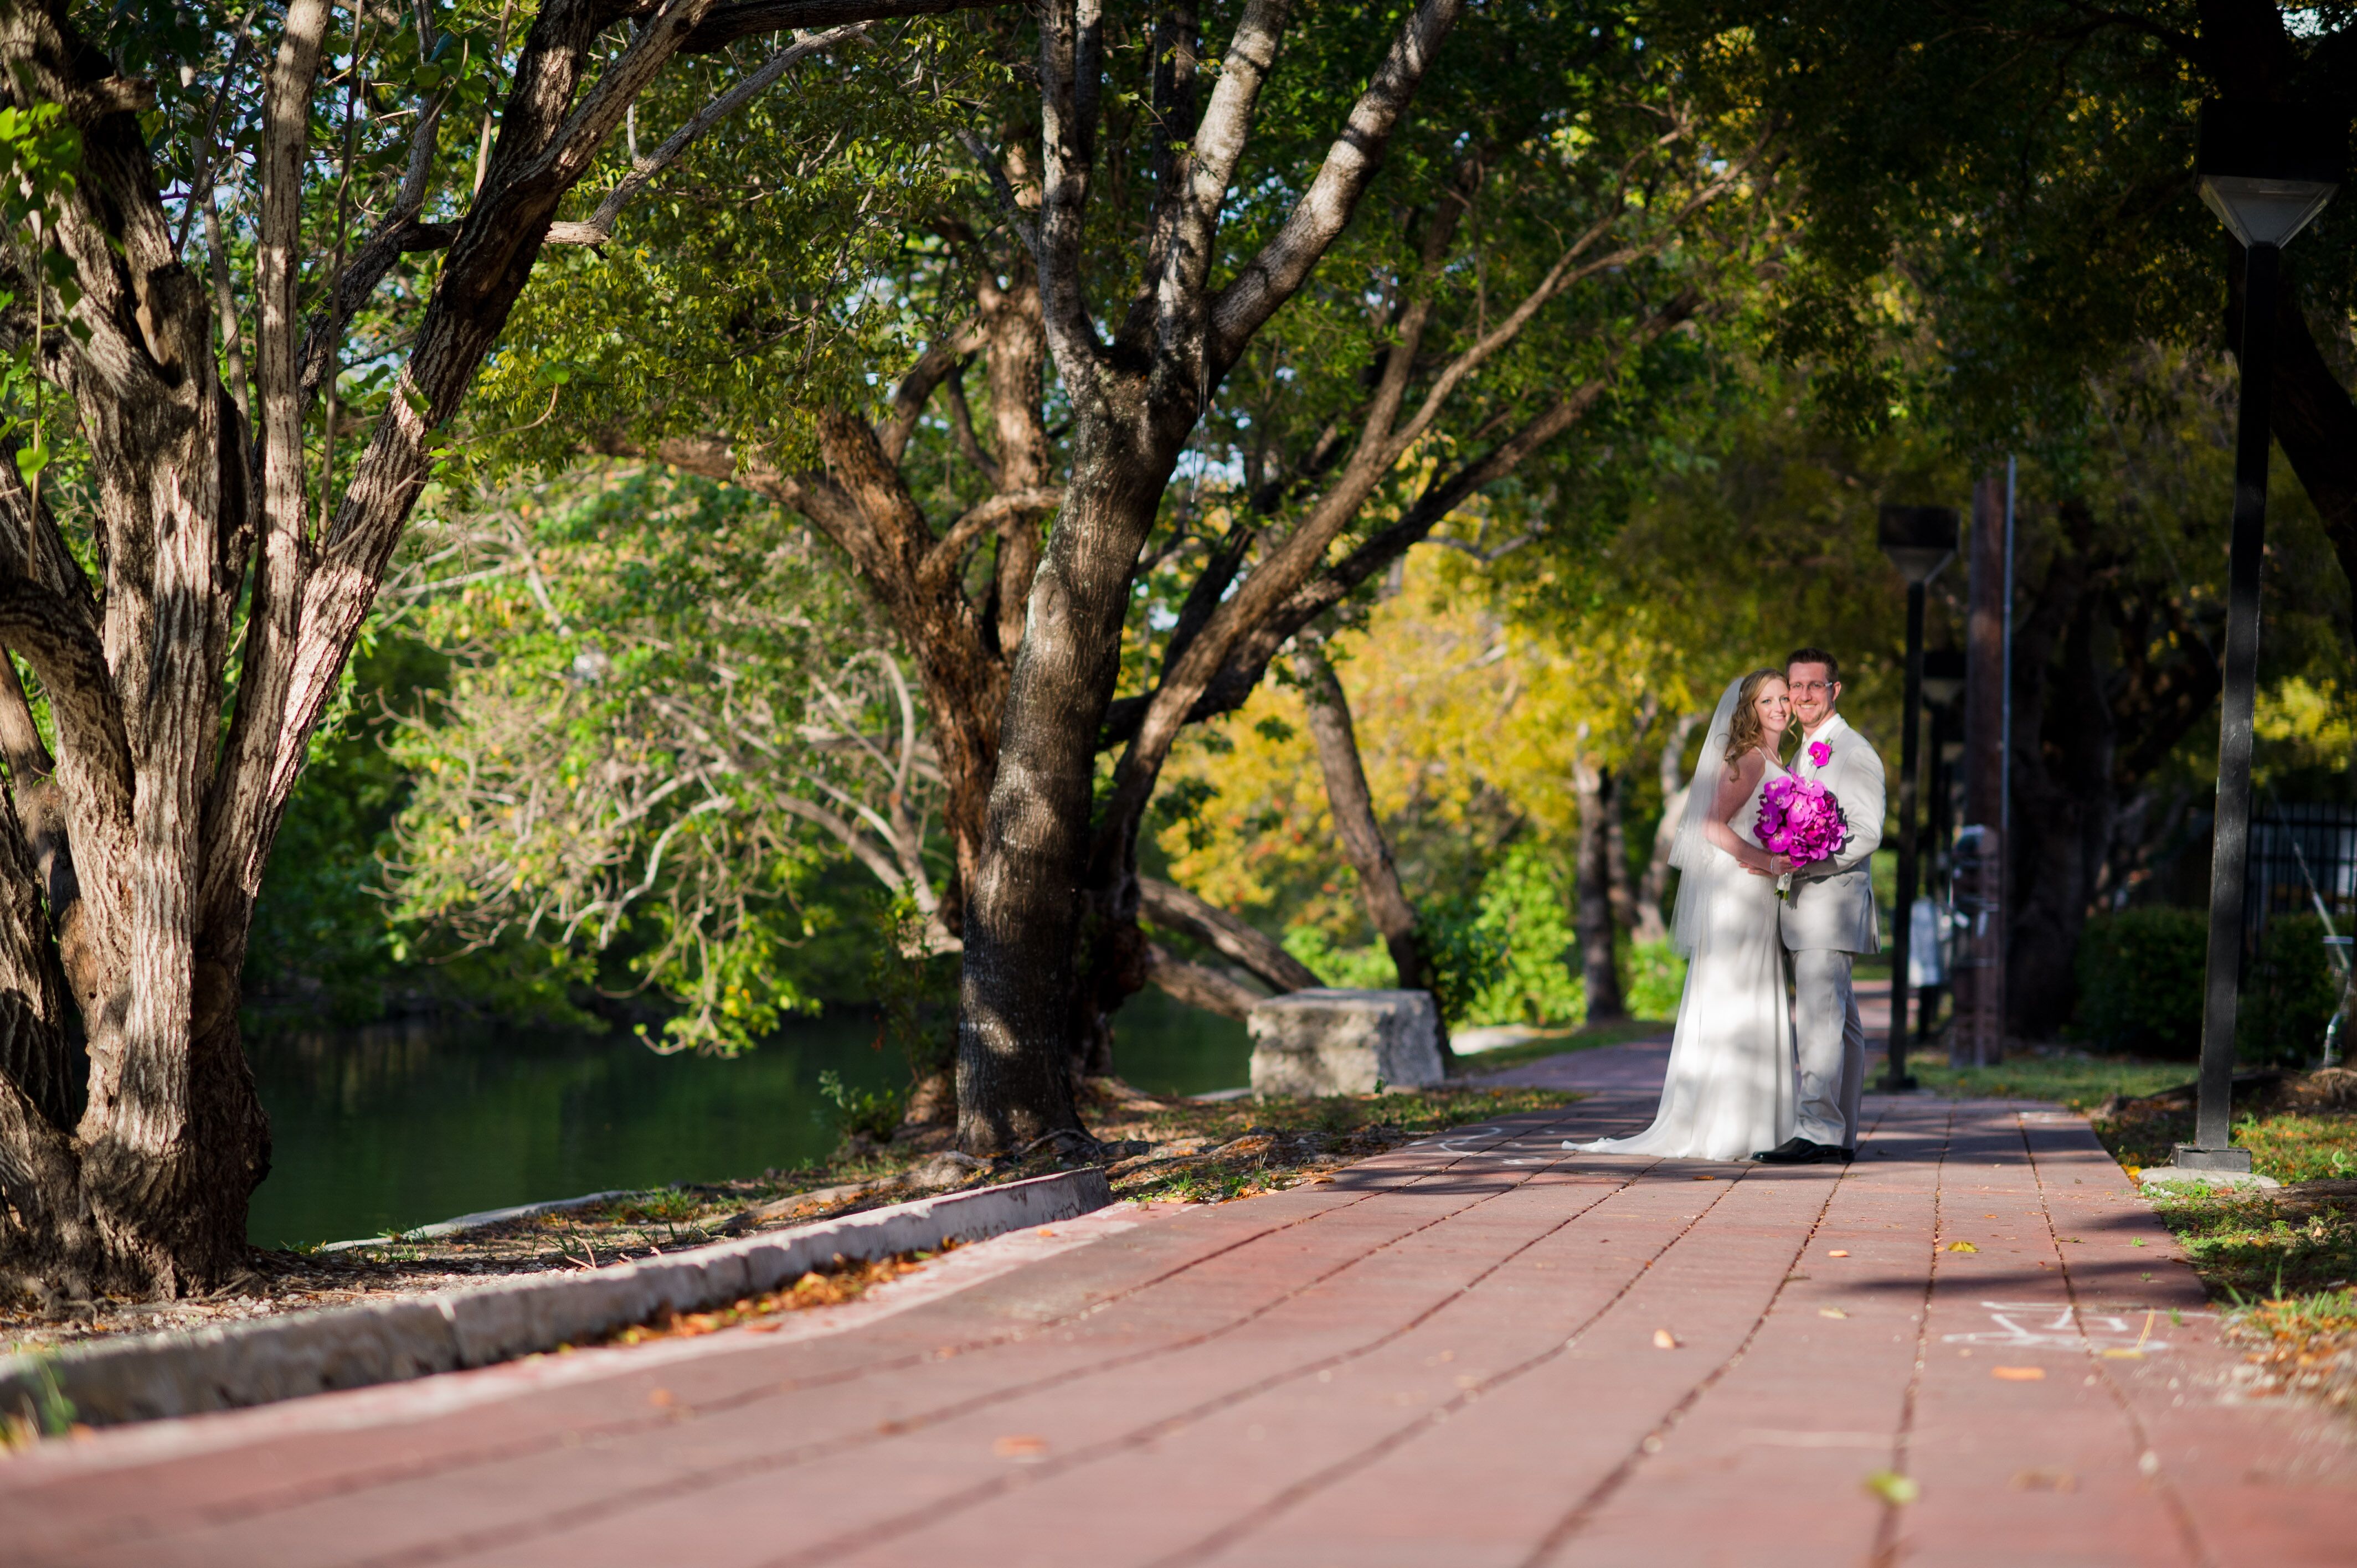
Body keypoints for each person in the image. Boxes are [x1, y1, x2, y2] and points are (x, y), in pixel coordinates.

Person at [1568, 669, 1797, 1161]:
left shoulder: (1778, 757)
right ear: (1749, 710)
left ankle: (1759, 1124)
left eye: (1784, 698)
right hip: (1739, 894)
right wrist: (1768, 862)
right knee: (1736, 999)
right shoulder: (1752, 758)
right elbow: (1710, 825)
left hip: (1758, 896)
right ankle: (1730, 1127)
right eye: (1767, 701)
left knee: (1755, 995)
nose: (1780, 707)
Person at [1753, 647, 1886, 1166]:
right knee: (1841, 1024)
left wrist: (1803, 861)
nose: (1803, 696)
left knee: (1818, 1023)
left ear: (1835, 691)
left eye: (1814, 686)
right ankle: (1841, 1131)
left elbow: (1868, 832)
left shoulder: (1853, 751)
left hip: (1830, 907)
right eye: (1796, 687)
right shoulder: (1806, 748)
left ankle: (1819, 1131)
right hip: (1810, 909)